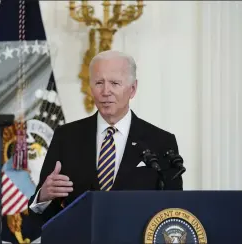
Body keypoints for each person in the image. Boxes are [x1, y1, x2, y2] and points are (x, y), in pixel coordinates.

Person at [27, 50, 183, 225]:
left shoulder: (160, 142)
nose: (106, 91)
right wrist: (42, 197)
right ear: (91, 88)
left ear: (132, 89)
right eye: (99, 83)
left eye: (115, 83)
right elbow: (42, 218)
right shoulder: (66, 137)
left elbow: (173, 212)